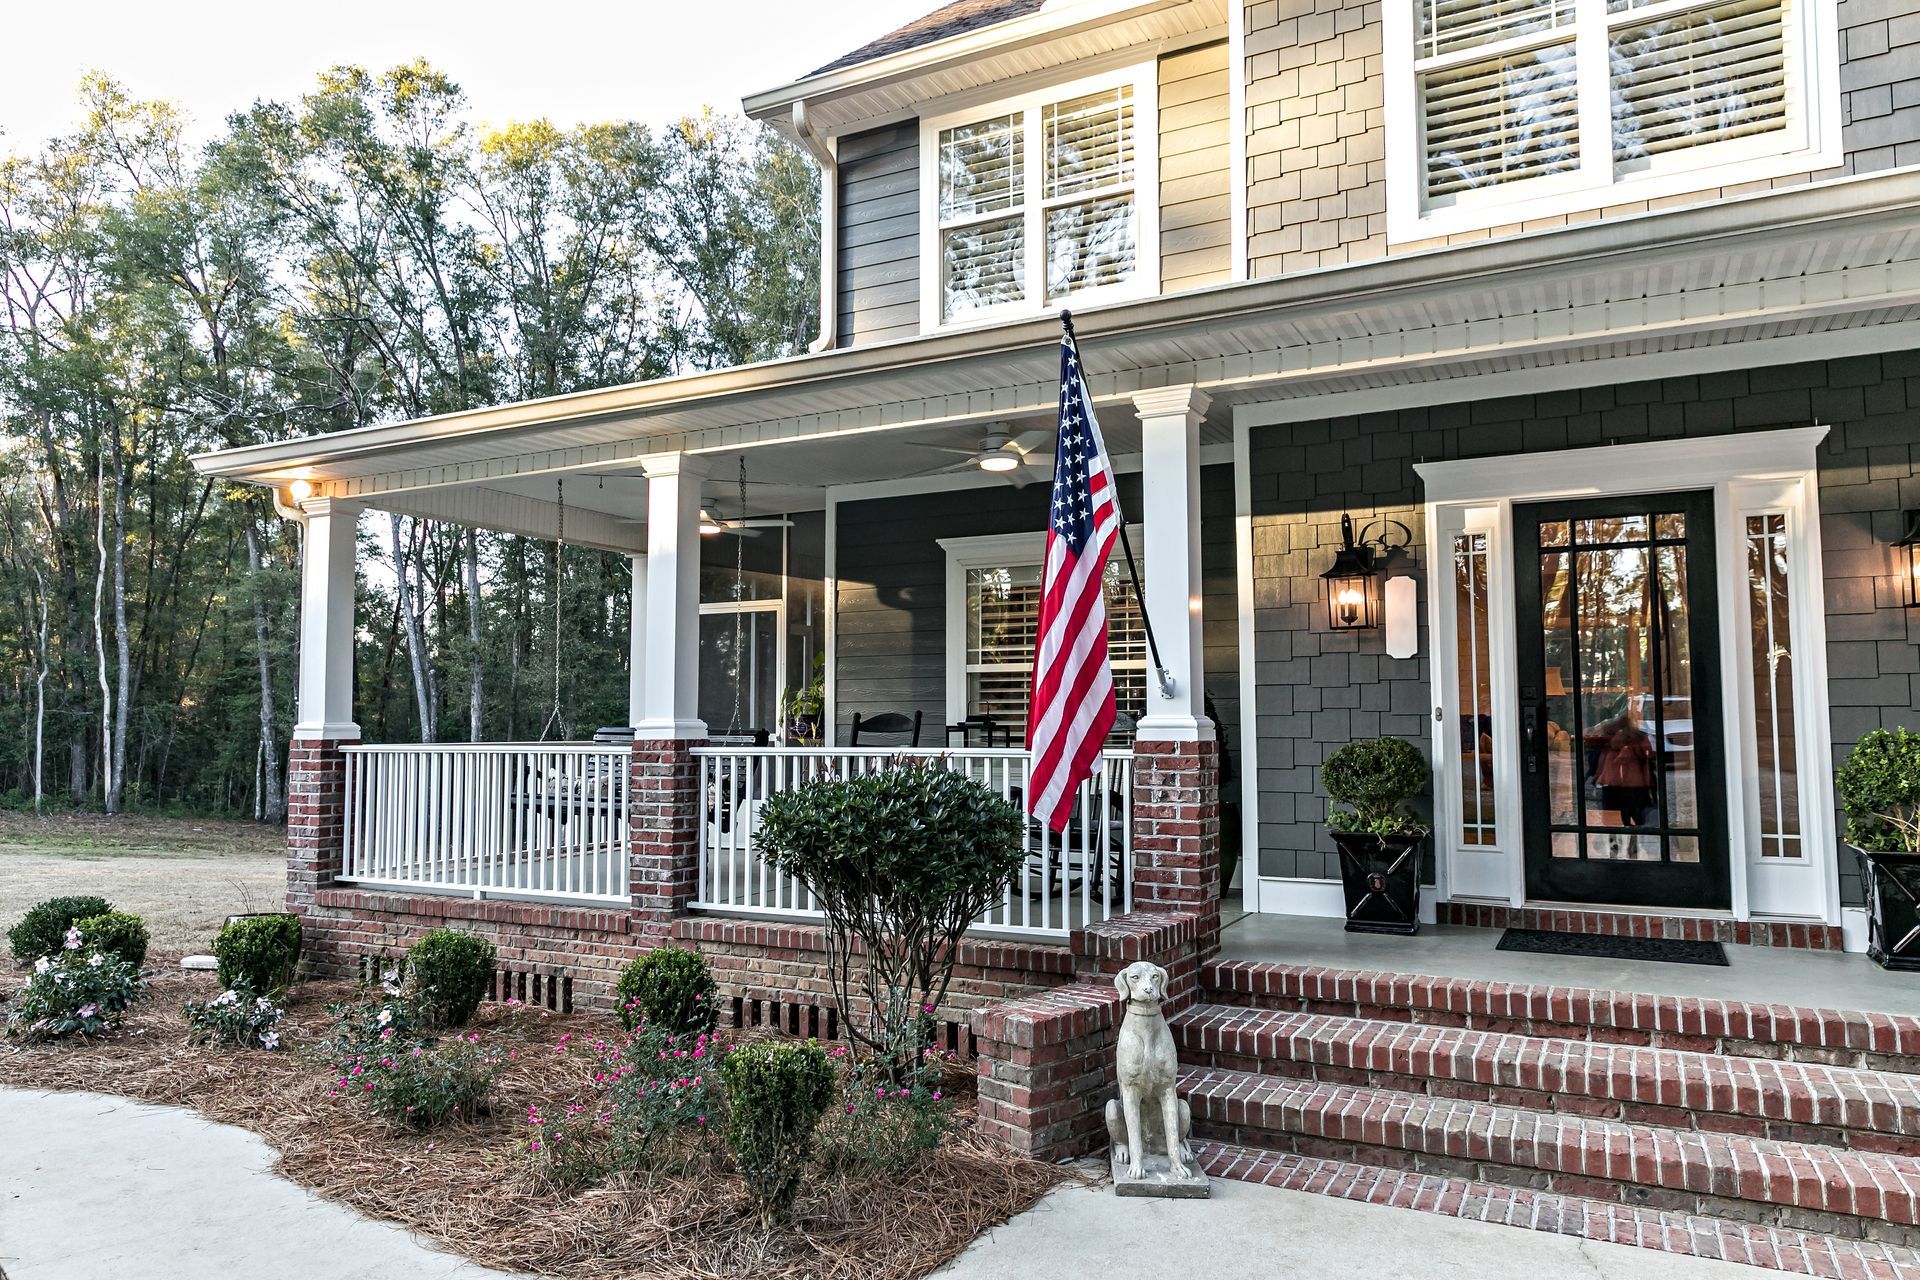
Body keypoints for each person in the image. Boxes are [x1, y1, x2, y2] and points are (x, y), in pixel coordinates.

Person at [1587, 706, 1658, 829]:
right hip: (1635, 783)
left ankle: (1613, 840)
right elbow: (1649, 754)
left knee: (1611, 815)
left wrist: (1597, 776)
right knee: (1636, 814)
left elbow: (1599, 760)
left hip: (1611, 782)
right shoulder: (1639, 738)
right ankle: (1633, 840)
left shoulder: (1607, 740)